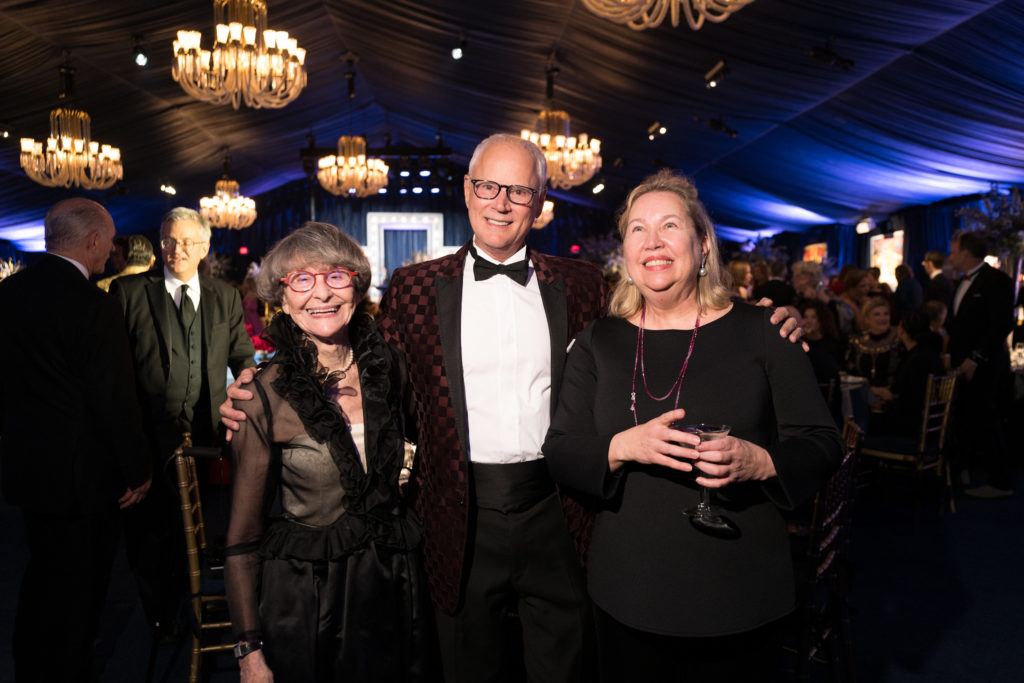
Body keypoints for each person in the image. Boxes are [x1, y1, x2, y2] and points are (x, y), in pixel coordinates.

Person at [219, 134, 802, 683]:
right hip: (453, 514)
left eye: (519, 190)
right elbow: (357, 358)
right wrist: (262, 384)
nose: (501, 203)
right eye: (488, 188)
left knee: (567, 666)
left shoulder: (581, 285)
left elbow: (663, 330)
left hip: (561, 509)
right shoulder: (413, 286)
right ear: (468, 191)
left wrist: (766, 320)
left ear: (540, 203)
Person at [541, 169, 842, 682]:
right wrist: (623, 446)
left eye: (669, 226)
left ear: (703, 247)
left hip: (739, 591)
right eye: (637, 229)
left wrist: (762, 460)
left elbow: (823, 442)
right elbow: (562, 450)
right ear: (625, 252)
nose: (652, 242)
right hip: (627, 592)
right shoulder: (600, 341)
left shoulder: (764, 330)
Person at [223, 222, 436, 681]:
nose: (321, 293)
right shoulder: (262, 397)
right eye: (302, 280)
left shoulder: (392, 368)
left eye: (335, 276)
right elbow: (241, 542)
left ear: (357, 288)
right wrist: (249, 653)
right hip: (309, 604)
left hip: (395, 589)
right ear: (281, 298)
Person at [0, 198, 152, 682]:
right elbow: (114, 398)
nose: (111, 254)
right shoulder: (95, 305)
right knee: (81, 589)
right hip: (85, 478)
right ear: (91, 241)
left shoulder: (8, 295)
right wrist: (137, 471)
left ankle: (30, 667)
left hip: (27, 468)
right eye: (109, 244)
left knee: (41, 574)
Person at [110, 207, 255, 638]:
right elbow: (113, 373)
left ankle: (189, 605)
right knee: (151, 535)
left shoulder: (223, 295)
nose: (178, 250)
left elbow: (243, 358)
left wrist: (251, 391)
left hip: (206, 440)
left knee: (195, 531)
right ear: (160, 242)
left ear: (205, 248)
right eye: (170, 241)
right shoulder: (129, 291)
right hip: (148, 436)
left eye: (189, 242)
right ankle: (160, 617)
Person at [947, 231, 1015, 498]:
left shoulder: (997, 280)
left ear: (966, 252)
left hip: (984, 365)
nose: (950, 255)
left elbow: (1001, 325)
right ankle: (965, 468)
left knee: (987, 418)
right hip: (961, 363)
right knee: (966, 416)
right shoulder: (960, 281)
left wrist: (976, 357)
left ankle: (1000, 482)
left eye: (953, 249)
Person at [867, 310, 946, 438]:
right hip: (928, 425)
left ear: (902, 331)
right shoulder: (930, 354)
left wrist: (878, 393)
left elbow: (904, 397)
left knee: (858, 420)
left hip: (910, 427)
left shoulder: (916, 359)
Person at [846, 297, 900, 389]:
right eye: (877, 314)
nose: (882, 318)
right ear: (867, 319)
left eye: (886, 314)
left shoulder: (898, 339)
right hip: (864, 393)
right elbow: (851, 371)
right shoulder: (857, 342)